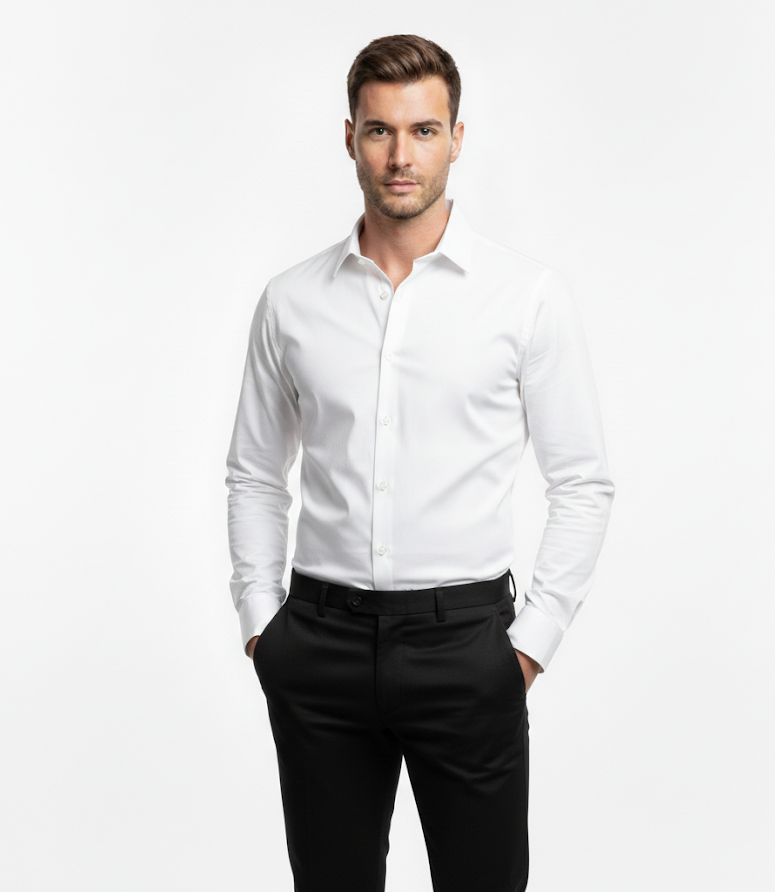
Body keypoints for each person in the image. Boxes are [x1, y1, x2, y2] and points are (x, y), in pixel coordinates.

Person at [225, 33, 614, 892]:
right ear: (351, 137)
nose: (401, 156)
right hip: (318, 645)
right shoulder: (290, 302)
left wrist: (527, 648)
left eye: (424, 130)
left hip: (467, 648)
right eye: (380, 130)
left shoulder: (525, 298)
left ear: (457, 138)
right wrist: (262, 625)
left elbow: (582, 482)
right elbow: (255, 471)